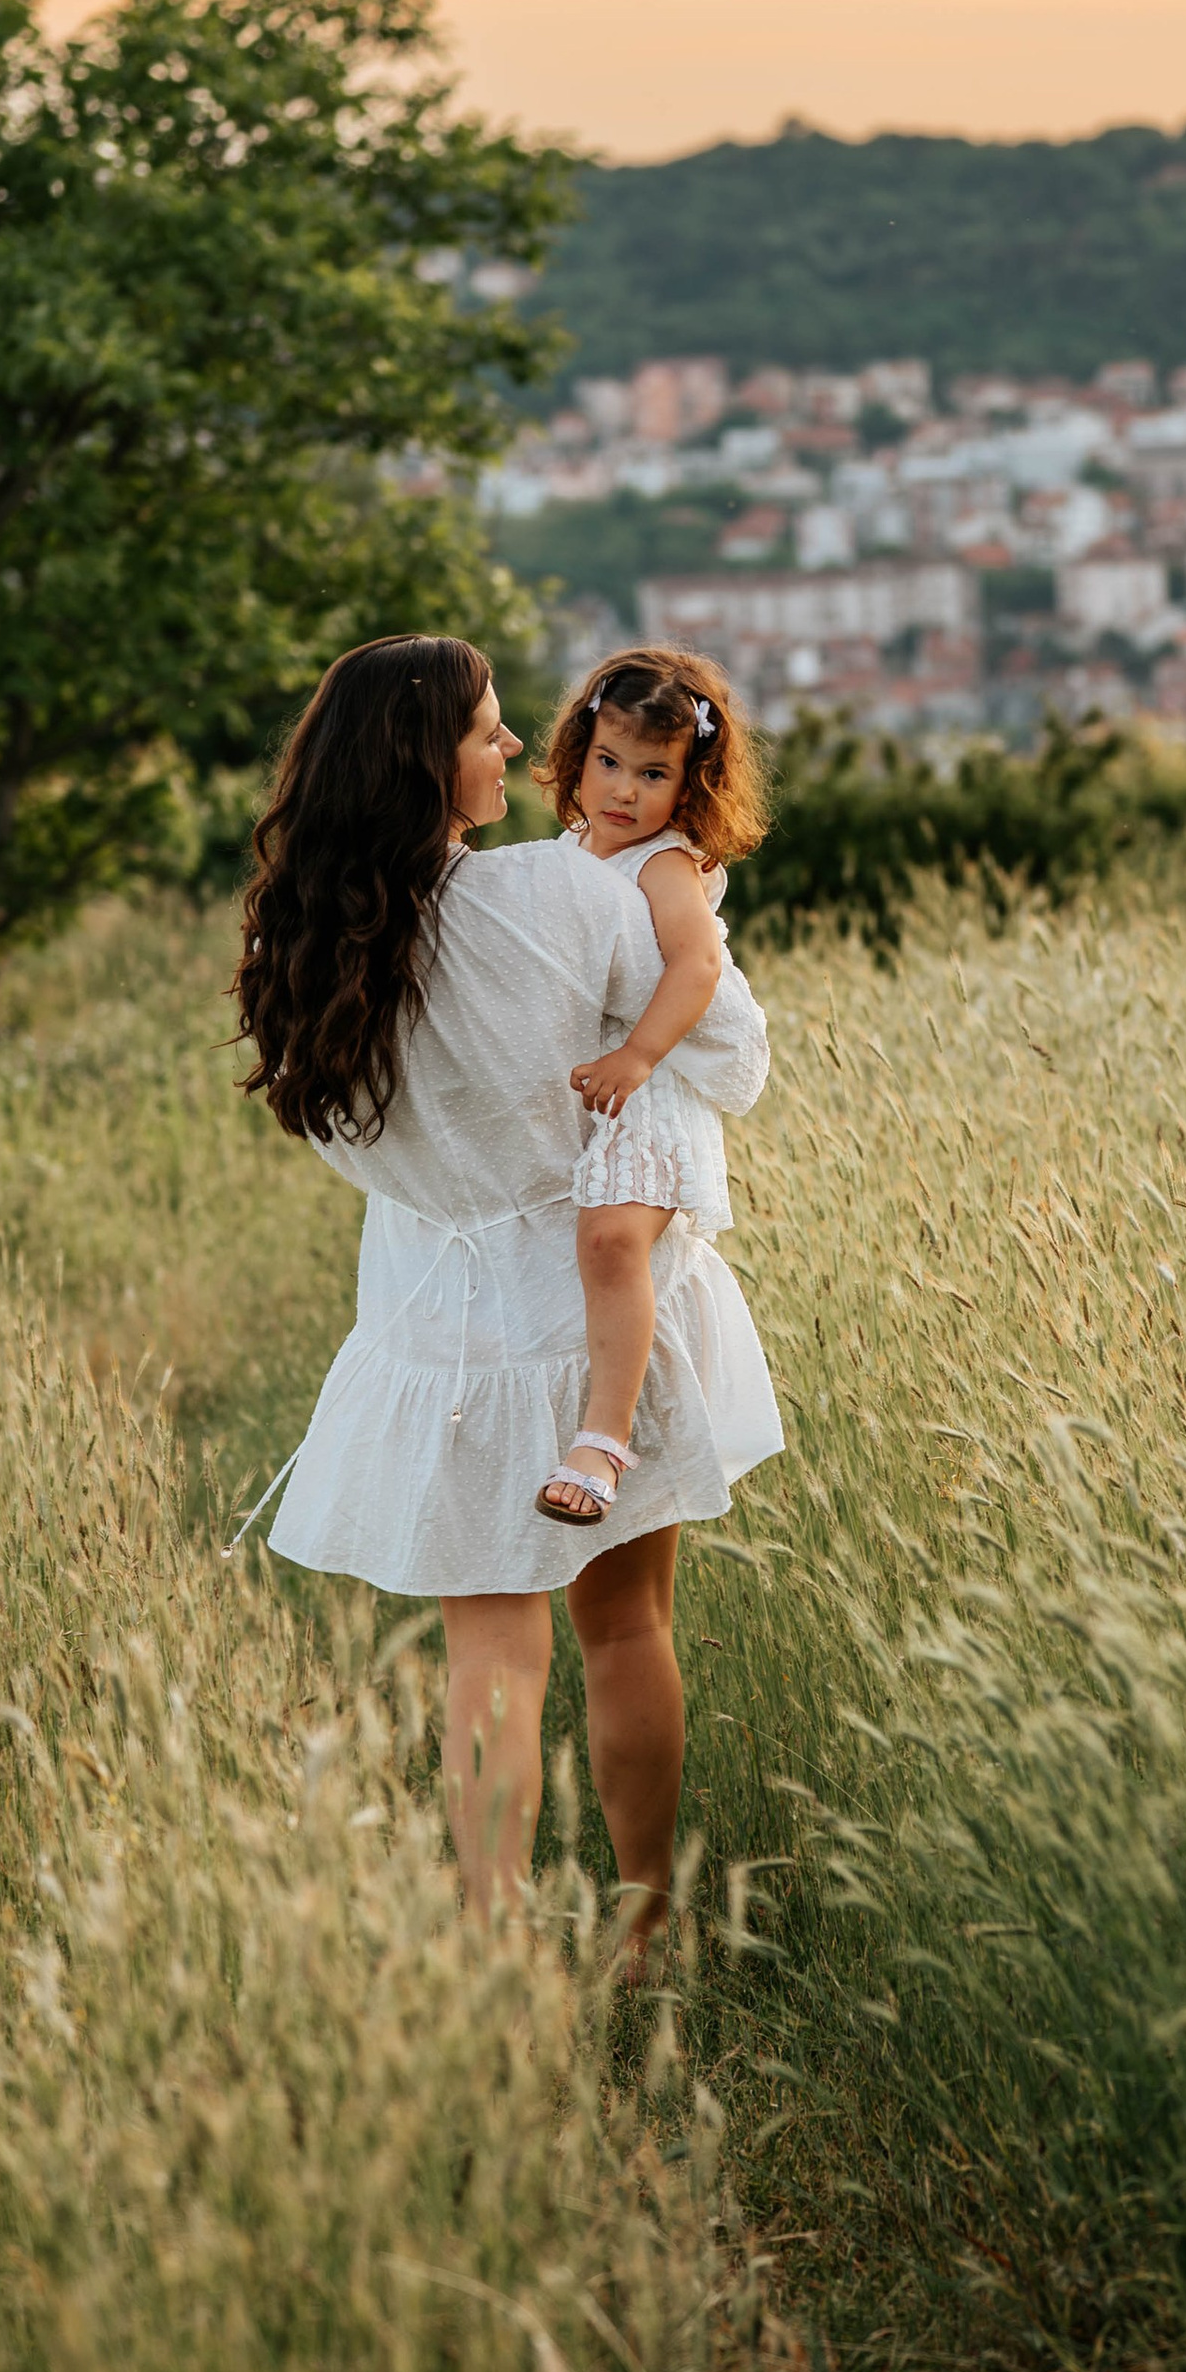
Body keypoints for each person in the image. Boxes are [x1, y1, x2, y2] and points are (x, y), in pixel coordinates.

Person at [231, 634, 782, 1961]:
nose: (517, 749)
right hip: (600, 1300)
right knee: (627, 1623)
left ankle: (491, 1949)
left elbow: (358, 1142)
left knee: (491, 1654)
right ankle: (647, 1923)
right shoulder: (565, 898)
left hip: (439, 1316)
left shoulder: (310, 936)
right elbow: (738, 1061)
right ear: (427, 758)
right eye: (488, 730)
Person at [528, 648, 769, 1529]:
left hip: (655, 1083)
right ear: (579, 756)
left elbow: (698, 966)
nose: (624, 791)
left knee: (612, 1241)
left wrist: (636, 1055)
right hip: (599, 1081)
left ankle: (604, 1439)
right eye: (608, 763)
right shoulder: (569, 850)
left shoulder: (665, 864)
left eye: (653, 774)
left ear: (690, 785)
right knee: (579, 1245)